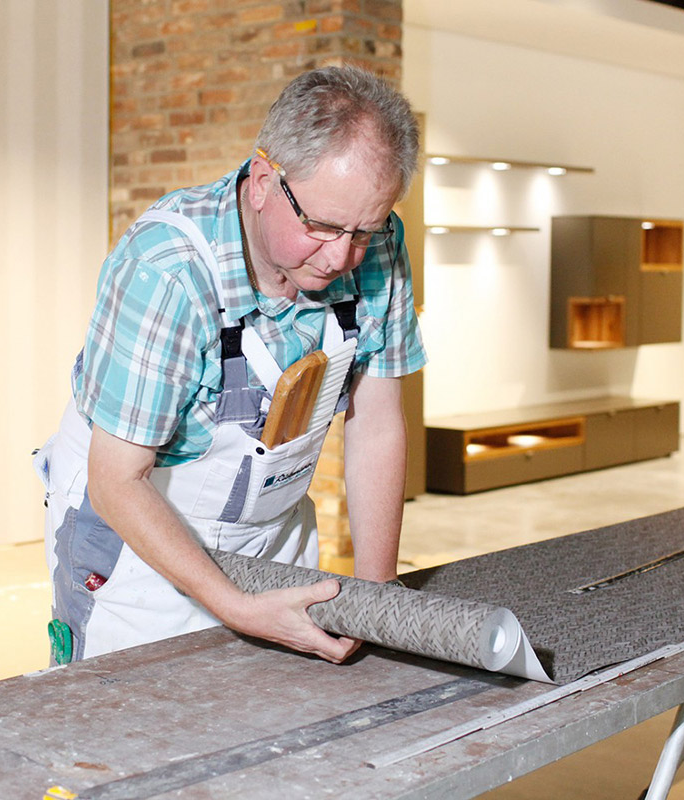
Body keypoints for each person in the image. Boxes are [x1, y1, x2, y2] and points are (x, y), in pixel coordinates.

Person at [33, 65, 426, 665]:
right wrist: (236, 607)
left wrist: (376, 596)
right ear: (264, 182)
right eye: (323, 227)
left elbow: (376, 424)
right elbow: (117, 479)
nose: (342, 257)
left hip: (270, 531)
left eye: (363, 231)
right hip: (137, 542)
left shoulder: (380, 246)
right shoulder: (166, 270)